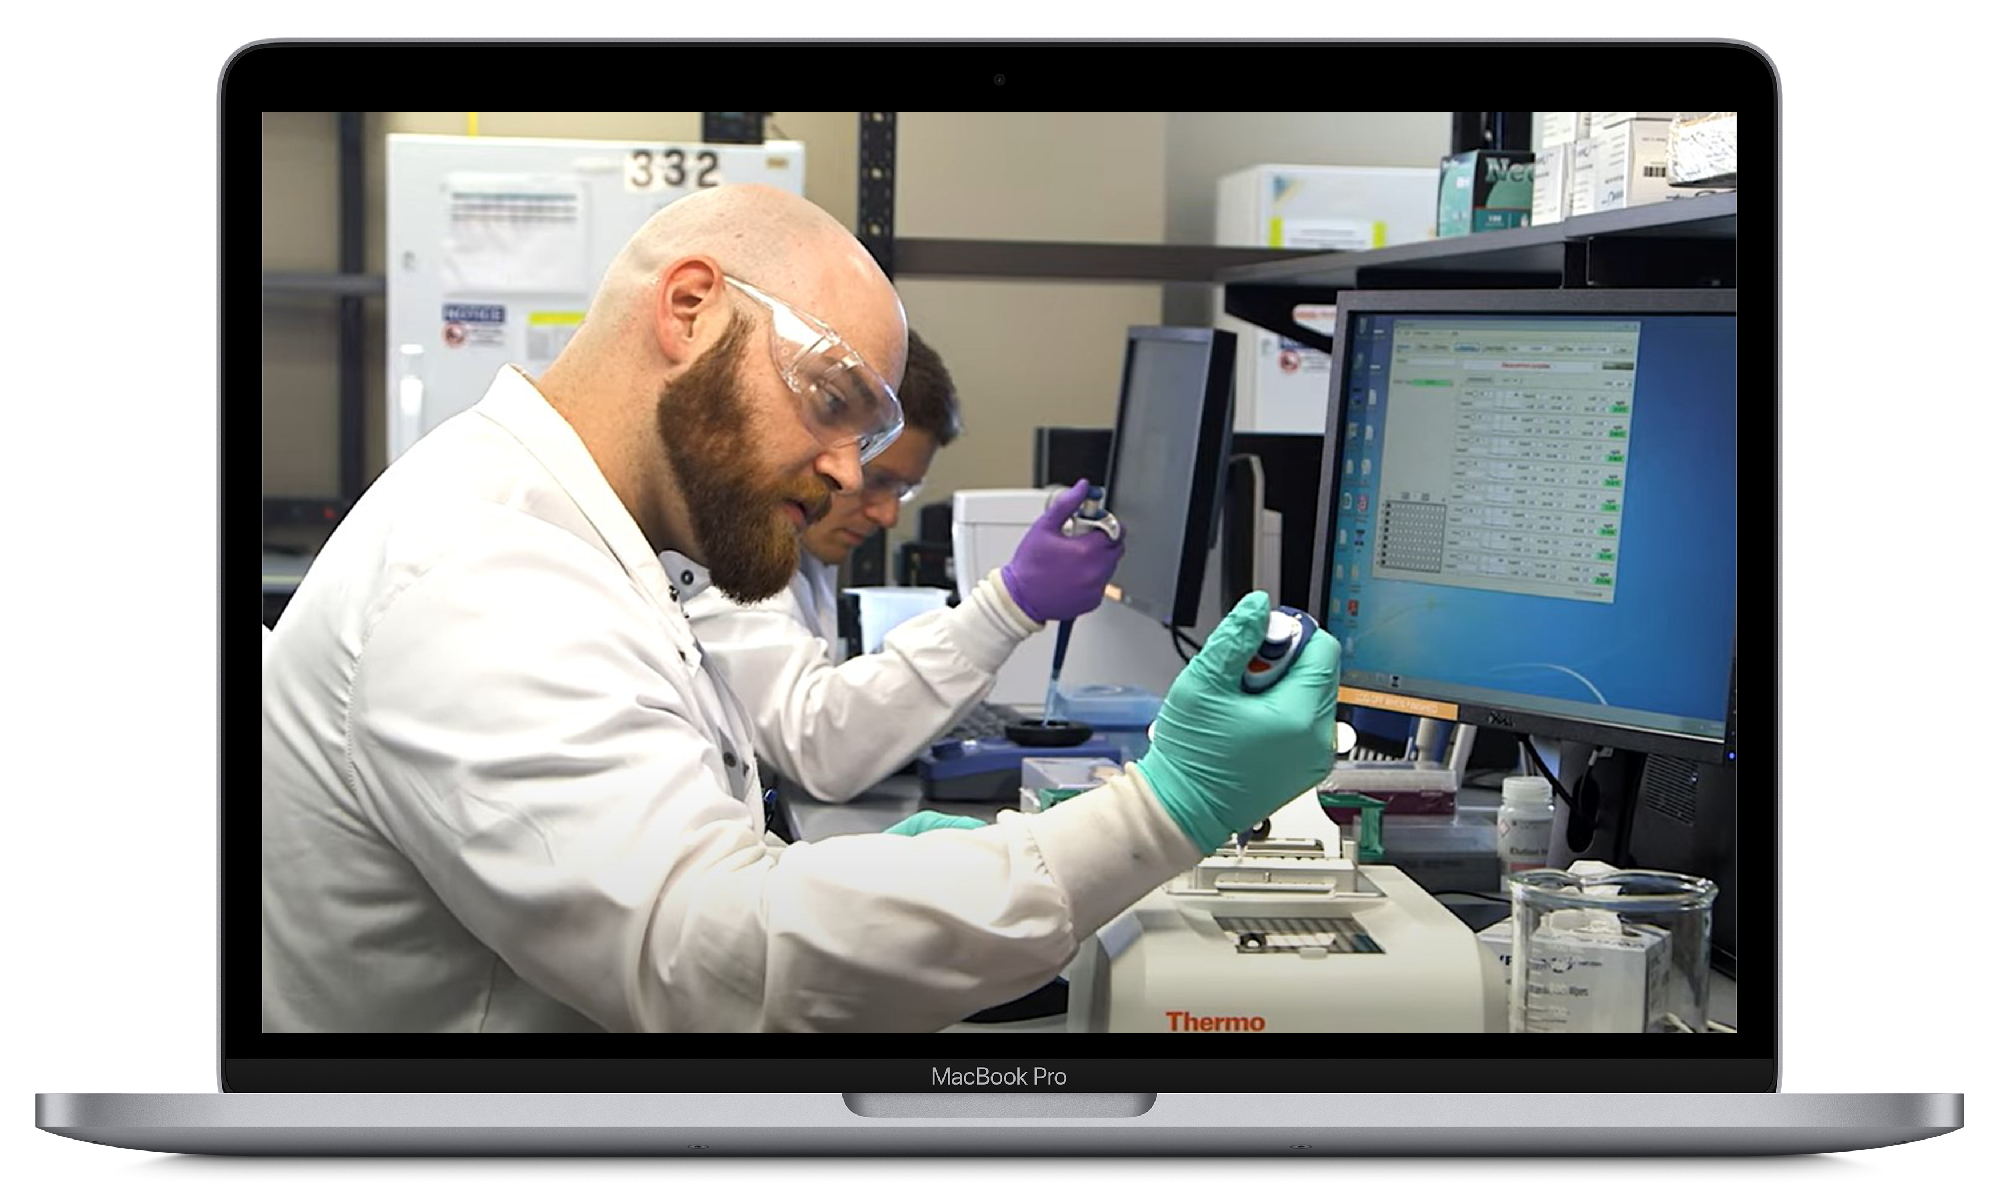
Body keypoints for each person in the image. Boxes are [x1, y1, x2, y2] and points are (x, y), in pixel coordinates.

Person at [261, 182, 1341, 1034]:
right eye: (831, 402)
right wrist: (1160, 811)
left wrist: (878, 876)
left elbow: (692, 861)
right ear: (688, 308)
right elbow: (715, 965)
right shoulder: (484, 574)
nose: (840, 475)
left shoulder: (593, 538)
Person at [681, 329, 1099, 805]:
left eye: (901, 491)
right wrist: (1006, 608)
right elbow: (820, 747)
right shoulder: (722, 564)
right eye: (876, 481)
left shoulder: (806, 554)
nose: (887, 515)